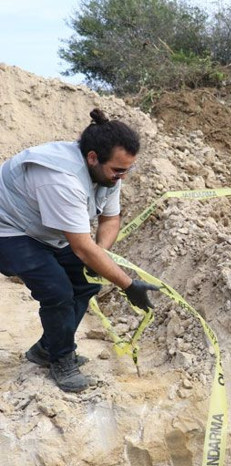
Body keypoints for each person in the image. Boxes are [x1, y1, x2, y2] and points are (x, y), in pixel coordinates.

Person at [0, 109, 160, 393]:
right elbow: (82, 248)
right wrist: (128, 285)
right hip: (9, 229)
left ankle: (46, 349)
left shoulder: (108, 173)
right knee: (57, 291)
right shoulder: (61, 177)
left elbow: (110, 219)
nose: (122, 177)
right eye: (118, 170)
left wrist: (99, 256)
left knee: (87, 280)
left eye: (127, 170)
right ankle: (61, 358)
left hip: (44, 228)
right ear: (92, 158)